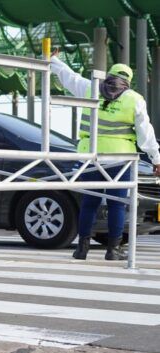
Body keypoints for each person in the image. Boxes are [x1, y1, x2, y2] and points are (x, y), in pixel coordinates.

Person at [50, 50, 160, 260]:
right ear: (128, 80)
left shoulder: (90, 88)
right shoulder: (134, 99)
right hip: (120, 159)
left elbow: (68, 77)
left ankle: (81, 248)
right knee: (117, 204)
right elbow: (146, 133)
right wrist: (156, 159)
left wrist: (53, 59)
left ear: (109, 75)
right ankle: (113, 249)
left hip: (91, 158)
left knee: (89, 202)